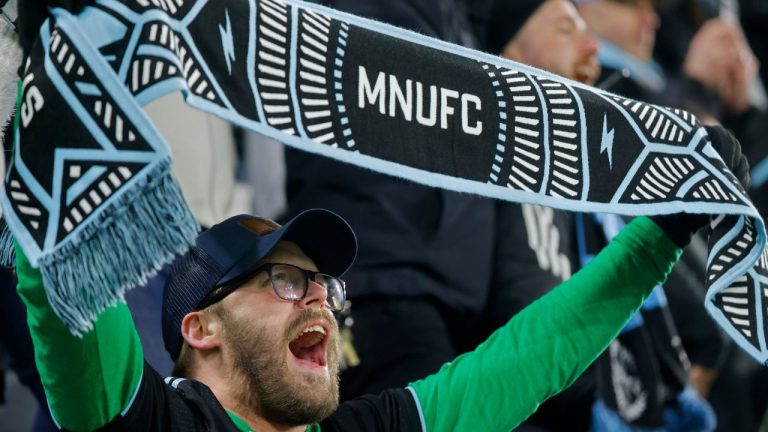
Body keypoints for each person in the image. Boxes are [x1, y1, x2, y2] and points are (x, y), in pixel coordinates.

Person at [15, 140, 750, 430]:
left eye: (327, 289)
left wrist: (663, 231)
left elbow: (531, 354)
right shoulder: (149, 425)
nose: (320, 301)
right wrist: (46, 153)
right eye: (283, 279)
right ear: (199, 327)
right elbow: (69, 305)